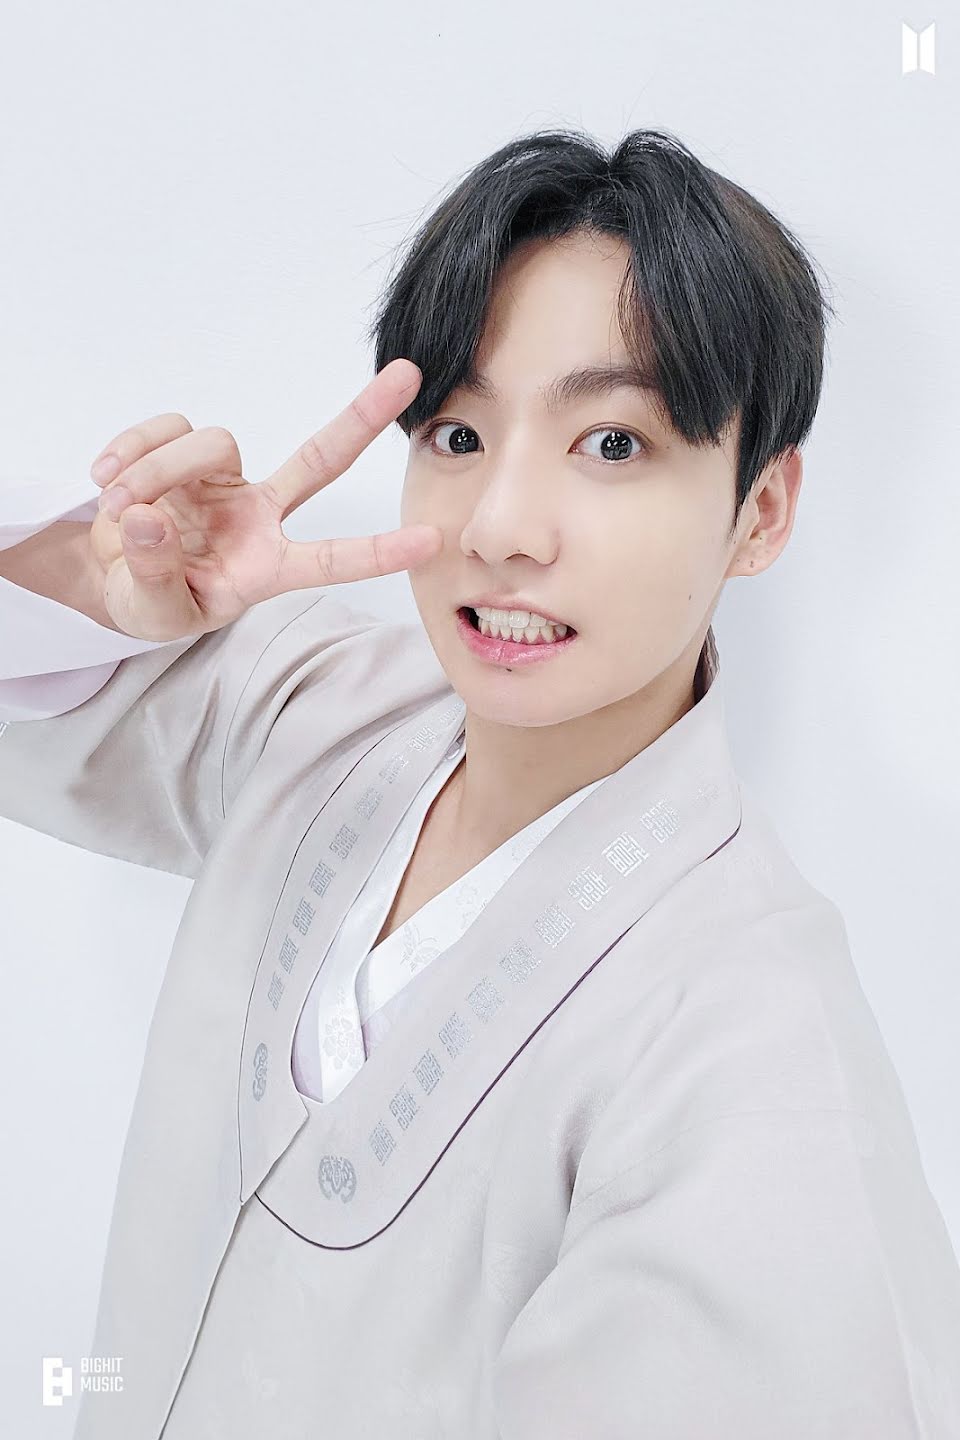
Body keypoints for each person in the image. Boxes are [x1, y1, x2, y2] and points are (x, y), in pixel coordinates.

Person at [2, 126, 959, 1438]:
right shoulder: (317, 706)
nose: (501, 527)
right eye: (457, 432)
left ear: (763, 511)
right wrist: (99, 587)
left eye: (611, 444)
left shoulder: (752, 1062)